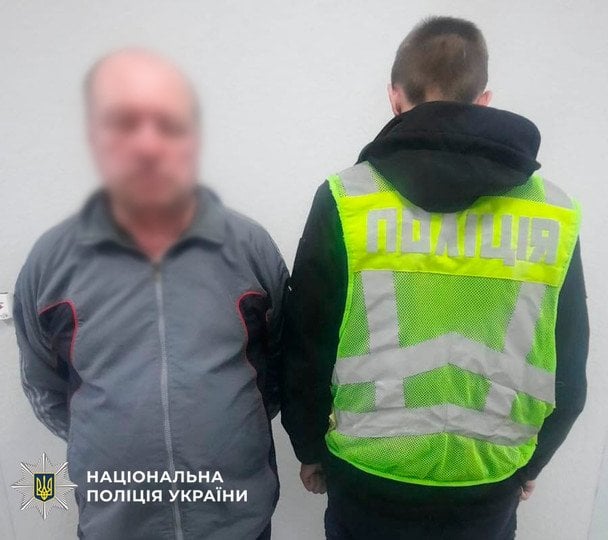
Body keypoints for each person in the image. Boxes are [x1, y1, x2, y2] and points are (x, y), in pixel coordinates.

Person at [281, 16, 589, 540]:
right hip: (488, 482)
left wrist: (310, 448)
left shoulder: (348, 199)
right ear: (483, 100)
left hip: (368, 478)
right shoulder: (552, 214)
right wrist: (533, 463)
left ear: (394, 98)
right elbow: (569, 363)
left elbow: (305, 344)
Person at [13, 49, 288, 540]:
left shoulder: (249, 248)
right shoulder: (51, 262)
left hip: (236, 524)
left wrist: (228, 429)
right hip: (115, 525)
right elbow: (45, 384)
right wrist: (112, 442)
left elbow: (281, 365)